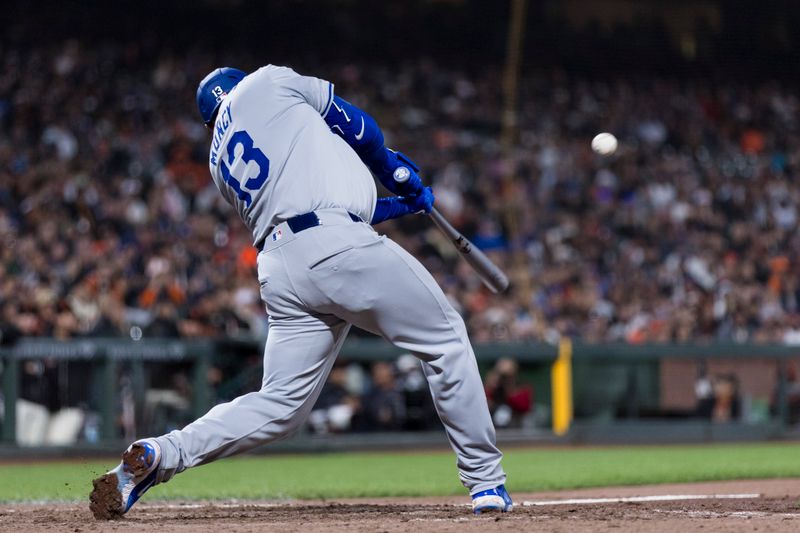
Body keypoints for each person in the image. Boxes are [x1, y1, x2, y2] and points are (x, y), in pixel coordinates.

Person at [89, 65, 511, 518]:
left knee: (280, 405)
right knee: (445, 339)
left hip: (284, 270)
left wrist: (395, 204)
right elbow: (355, 124)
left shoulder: (217, 159)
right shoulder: (266, 81)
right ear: (238, 83)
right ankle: (486, 483)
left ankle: (163, 453)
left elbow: (316, 201)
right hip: (336, 247)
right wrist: (389, 165)